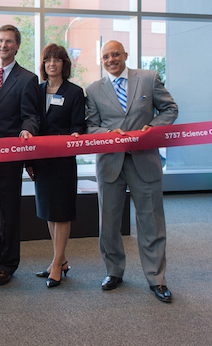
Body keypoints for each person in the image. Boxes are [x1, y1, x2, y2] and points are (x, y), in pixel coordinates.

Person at [86, 40, 178, 303]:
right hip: (110, 163)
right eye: (106, 56)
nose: (111, 59)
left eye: (115, 54)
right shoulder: (93, 89)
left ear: (125, 55)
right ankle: (113, 271)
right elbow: (90, 126)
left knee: (151, 222)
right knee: (109, 224)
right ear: (101, 60)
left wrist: (153, 127)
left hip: (144, 161)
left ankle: (157, 278)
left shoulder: (148, 79)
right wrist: (106, 133)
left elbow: (170, 109)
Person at [0, 24, 40, 286]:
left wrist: (27, 131)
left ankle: (8, 264)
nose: (4, 45)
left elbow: (31, 115)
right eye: (0, 40)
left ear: (17, 46)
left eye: (9, 41)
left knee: (9, 213)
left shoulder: (27, 78)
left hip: (9, 157)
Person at [25, 44, 86, 288]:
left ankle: (56, 265)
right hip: (42, 160)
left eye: (57, 60)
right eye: (48, 60)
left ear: (64, 64)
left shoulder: (74, 92)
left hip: (63, 160)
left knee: (61, 212)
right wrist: (29, 160)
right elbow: (31, 123)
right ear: (43, 64)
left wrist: (74, 135)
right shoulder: (37, 91)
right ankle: (60, 260)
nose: (52, 64)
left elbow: (79, 125)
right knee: (49, 212)